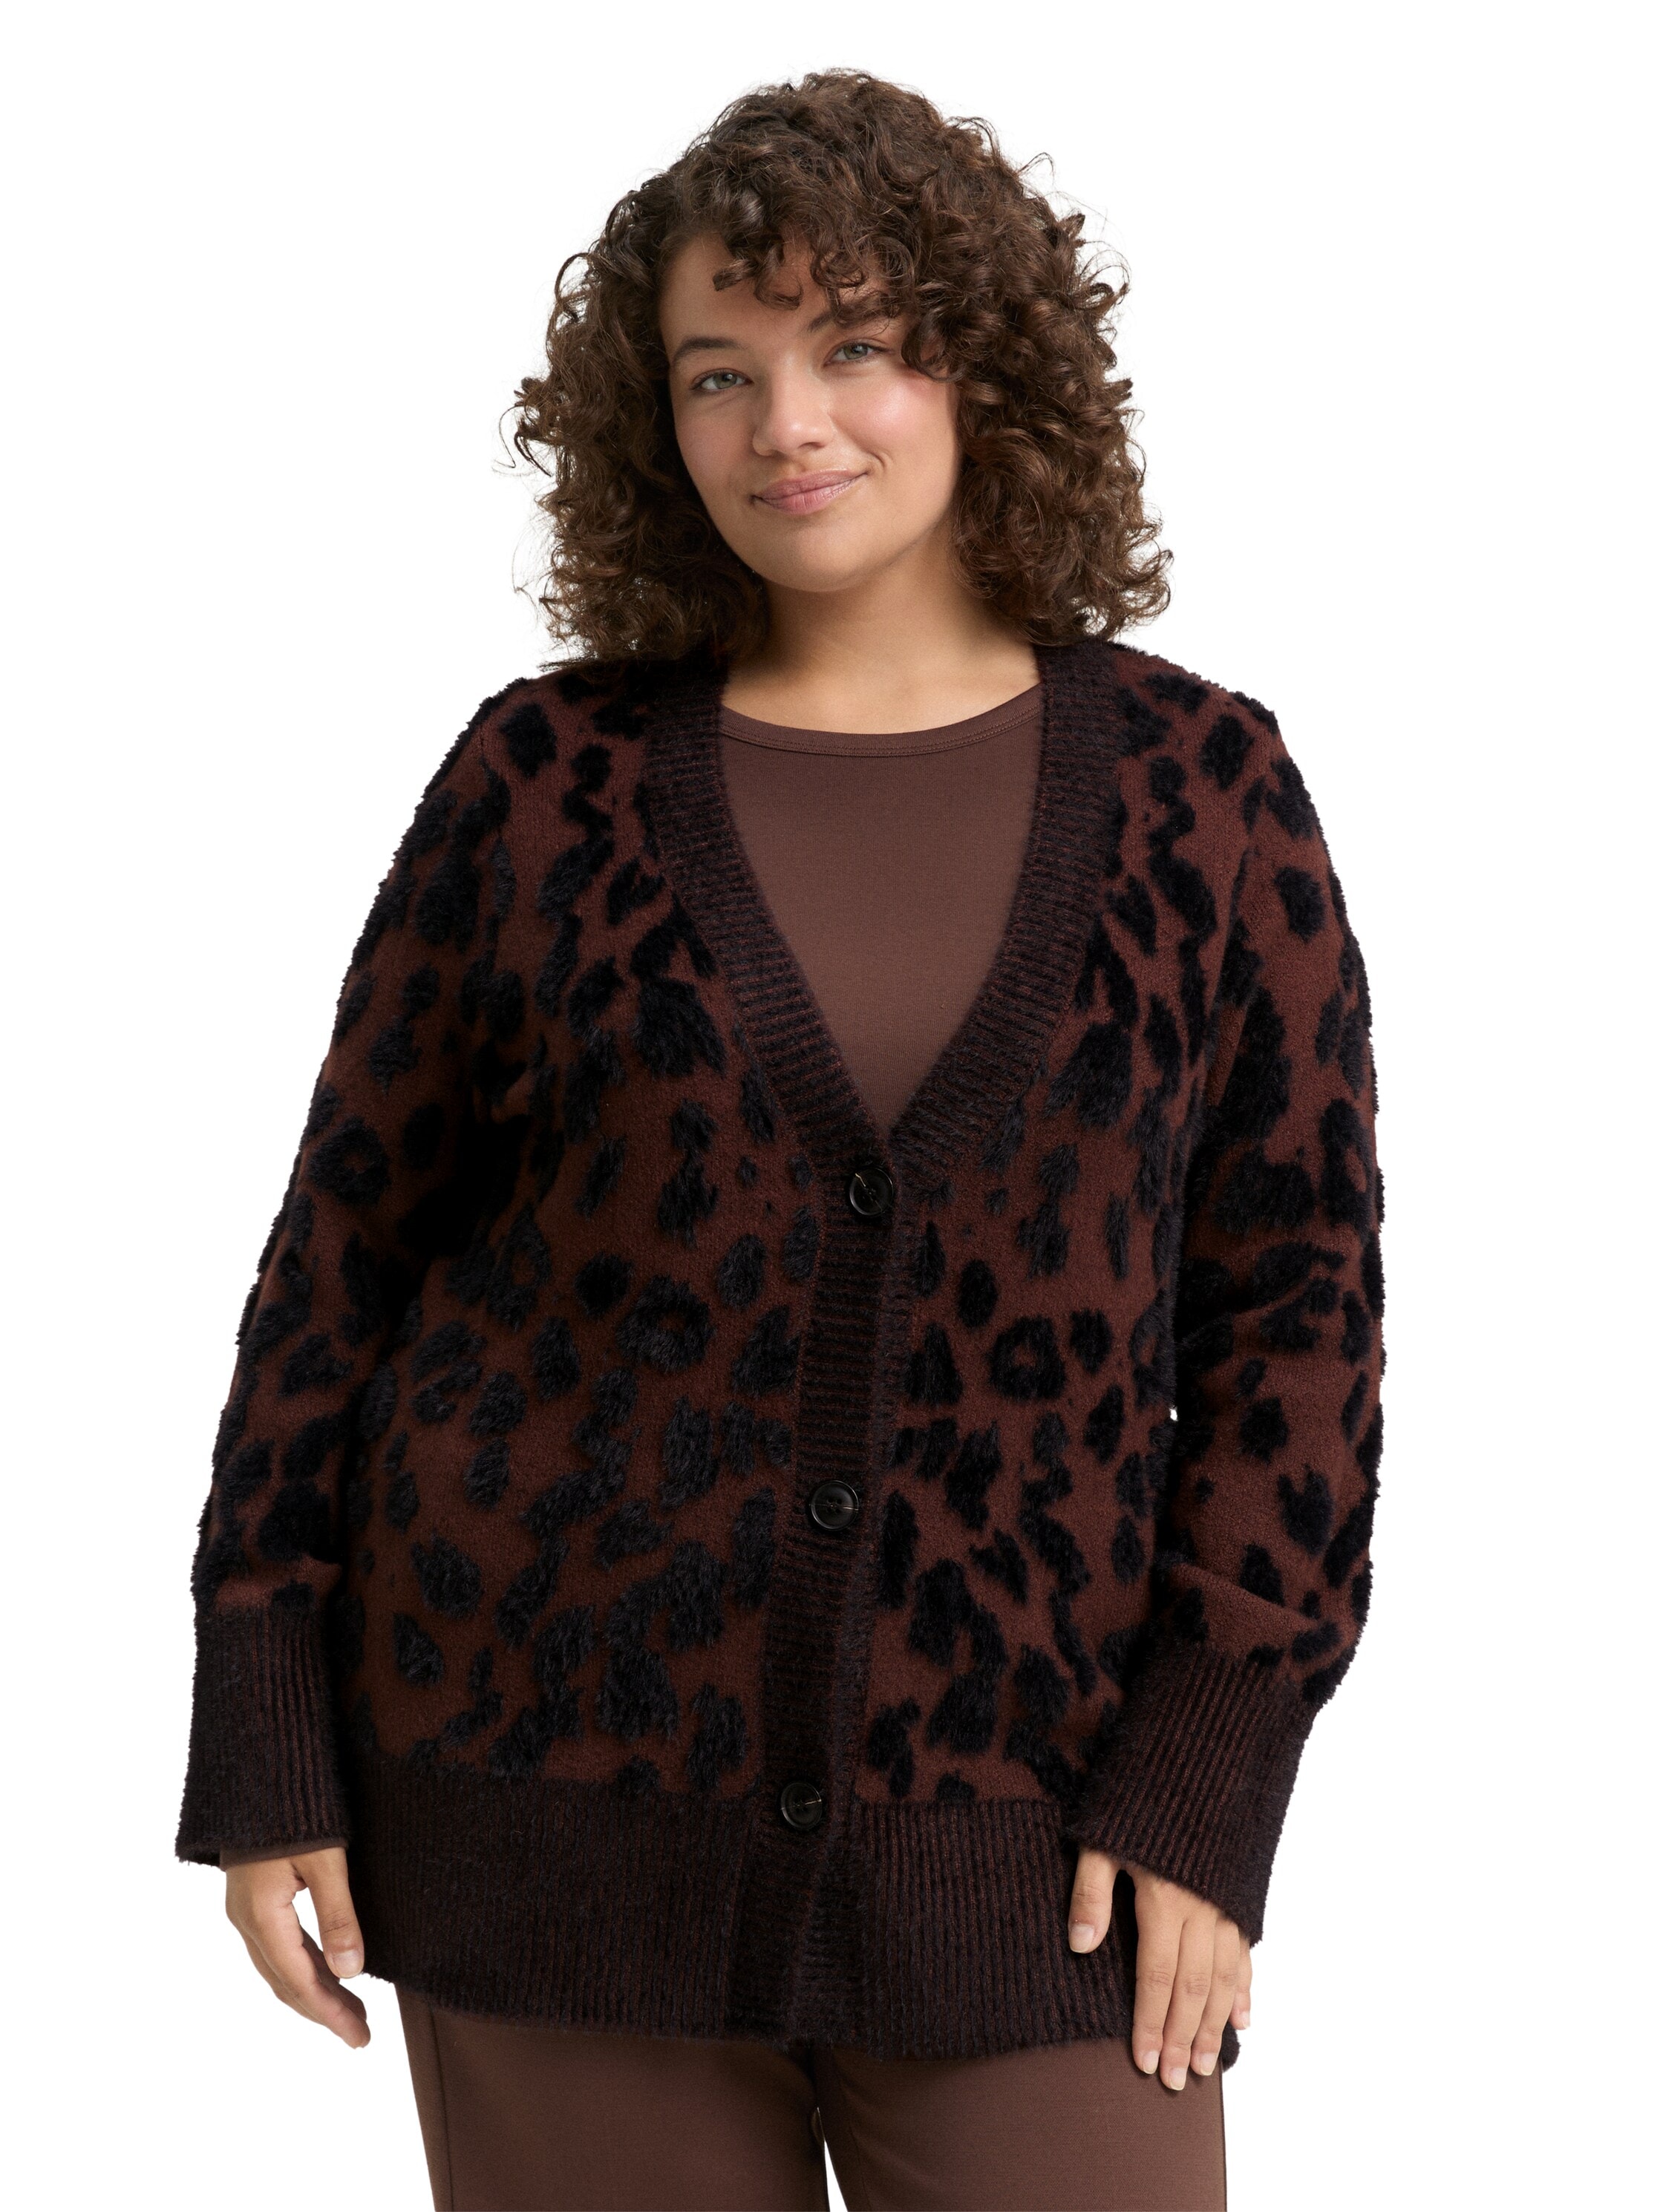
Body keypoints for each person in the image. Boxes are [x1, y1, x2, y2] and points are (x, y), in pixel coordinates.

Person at [180, 68, 1384, 2212]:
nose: (785, 425)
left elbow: (1299, 1320)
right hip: (545, 1819)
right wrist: (266, 1718)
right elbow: (338, 1268)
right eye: (717, 372)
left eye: (856, 347)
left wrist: (1209, 1774)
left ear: (981, 367)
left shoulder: (1204, 793)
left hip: (1038, 1853)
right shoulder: (539, 782)